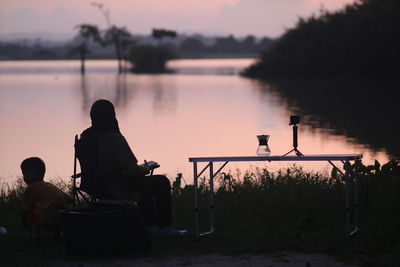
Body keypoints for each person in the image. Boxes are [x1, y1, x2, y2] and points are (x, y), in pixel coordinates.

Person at [78, 99, 186, 236]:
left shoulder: (84, 139)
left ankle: (150, 226)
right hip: (116, 188)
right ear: (112, 116)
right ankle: (162, 228)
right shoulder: (114, 139)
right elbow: (130, 169)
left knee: (141, 181)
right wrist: (146, 168)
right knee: (159, 181)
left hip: (94, 189)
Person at [20, 157, 68, 238]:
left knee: (29, 209)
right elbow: (70, 200)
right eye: (23, 173)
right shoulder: (51, 186)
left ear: (40, 173)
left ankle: (34, 232)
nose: (25, 176)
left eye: (27, 173)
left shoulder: (32, 187)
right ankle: (56, 233)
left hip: (44, 223)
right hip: (62, 222)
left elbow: (24, 210)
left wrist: (25, 225)